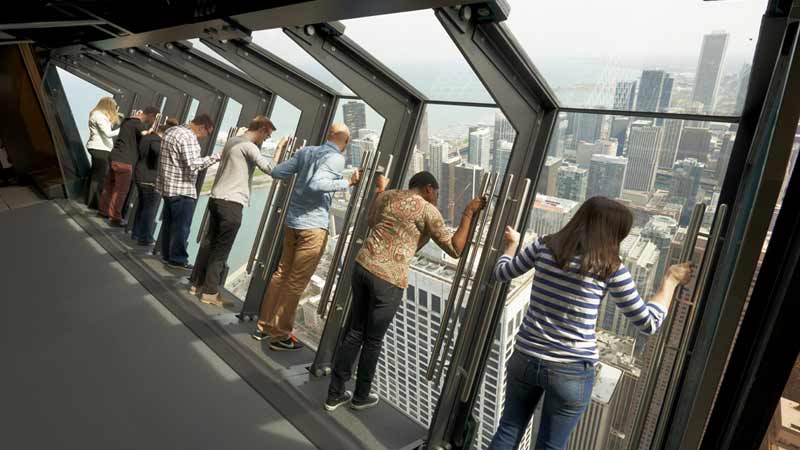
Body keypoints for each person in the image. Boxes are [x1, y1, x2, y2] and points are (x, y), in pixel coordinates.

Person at [486, 196, 693, 450]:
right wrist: (670, 280)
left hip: (526, 357)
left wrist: (512, 246)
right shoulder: (610, 268)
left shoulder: (544, 246)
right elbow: (648, 323)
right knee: (550, 446)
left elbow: (501, 272)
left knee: (508, 430)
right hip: (571, 370)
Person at [325, 171, 486, 412]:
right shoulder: (427, 210)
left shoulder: (389, 196)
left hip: (363, 266)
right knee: (372, 341)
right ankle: (360, 396)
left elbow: (371, 221)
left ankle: (334, 394)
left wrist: (380, 190)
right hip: (388, 279)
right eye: (436, 194)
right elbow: (455, 249)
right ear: (429, 189)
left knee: (354, 332)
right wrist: (468, 213)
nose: (436, 199)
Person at [251, 123, 360, 351]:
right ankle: (280, 335)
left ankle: (263, 326)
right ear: (345, 141)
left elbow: (277, 172)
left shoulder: (306, 151)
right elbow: (317, 184)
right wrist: (347, 182)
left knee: (281, 274)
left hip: (292, 224)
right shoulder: (336, 158)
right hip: (313, 229)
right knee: (295, 282)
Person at [189, 116, 282, 306]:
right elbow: (271, 170)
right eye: (267, 136)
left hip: (216, 199)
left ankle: (196, 284)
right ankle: (210, 293)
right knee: (221, 249)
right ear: (262, 129)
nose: (266, 140)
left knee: (208, 242)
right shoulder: (250, 147)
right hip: (231, 203)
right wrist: (279, 149)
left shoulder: (233, 141)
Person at [156, 113, 219, 270]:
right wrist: (217, 157)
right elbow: (194, 164)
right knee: (182, 227)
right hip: (182, 189)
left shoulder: (172, 131)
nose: (206, 137)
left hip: (167, 187)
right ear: (201, 127)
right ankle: (177, 259)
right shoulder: (189, 137)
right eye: (208, 133)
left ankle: (166, 255)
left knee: (169, 223)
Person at [99, 106, 159, 226]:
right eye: (154, 119)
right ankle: (115, 218)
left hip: (115, 156)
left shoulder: (127, 122)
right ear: (151, 115)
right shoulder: (138, 124)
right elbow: (146, 136)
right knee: (121, 190)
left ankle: (103, 211)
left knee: (109, 186)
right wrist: (154, 131)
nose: (152, 121)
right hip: (125, 161)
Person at [131, 118, 179, 246]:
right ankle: (145, 237)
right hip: (151, 179)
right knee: (149, 209)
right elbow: (157, 151)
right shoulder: (156, 141)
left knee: (142, 207)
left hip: (140, 175)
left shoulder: (147, 138)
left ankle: (136, 232)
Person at [85, 97, 120, 209]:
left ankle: (90, 201)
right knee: (99, 176)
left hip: (98, 147)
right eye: (114, 107)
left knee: (95, 175)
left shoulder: (97, 114)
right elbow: (108, 134)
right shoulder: (99, 116)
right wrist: (122, 128)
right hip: (100, 148)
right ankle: (94, 203)